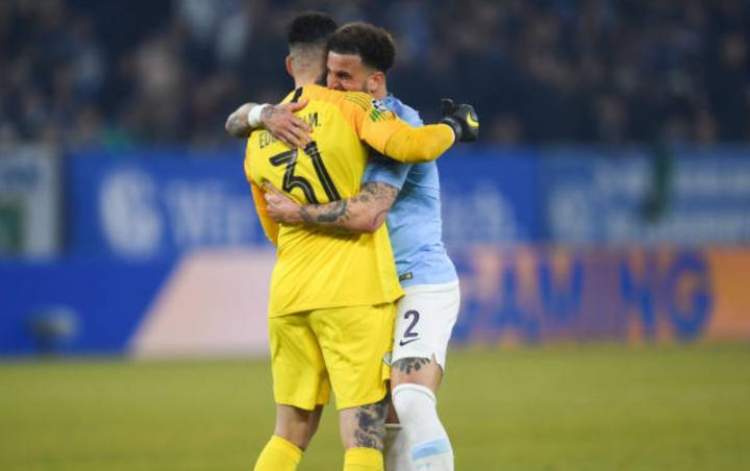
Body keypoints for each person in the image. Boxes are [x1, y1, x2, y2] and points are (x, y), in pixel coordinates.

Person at [235, 13, 476, 471]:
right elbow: (237, 121)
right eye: (329, 73)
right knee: (379, 422)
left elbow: (367, 213)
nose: (334, 84)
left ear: (375, 81)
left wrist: (454, 128)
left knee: (408, 399)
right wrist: (259, 113)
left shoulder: (391, 120)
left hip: (415, 279)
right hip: (365, 287)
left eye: (344, 76)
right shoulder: (323, 117)